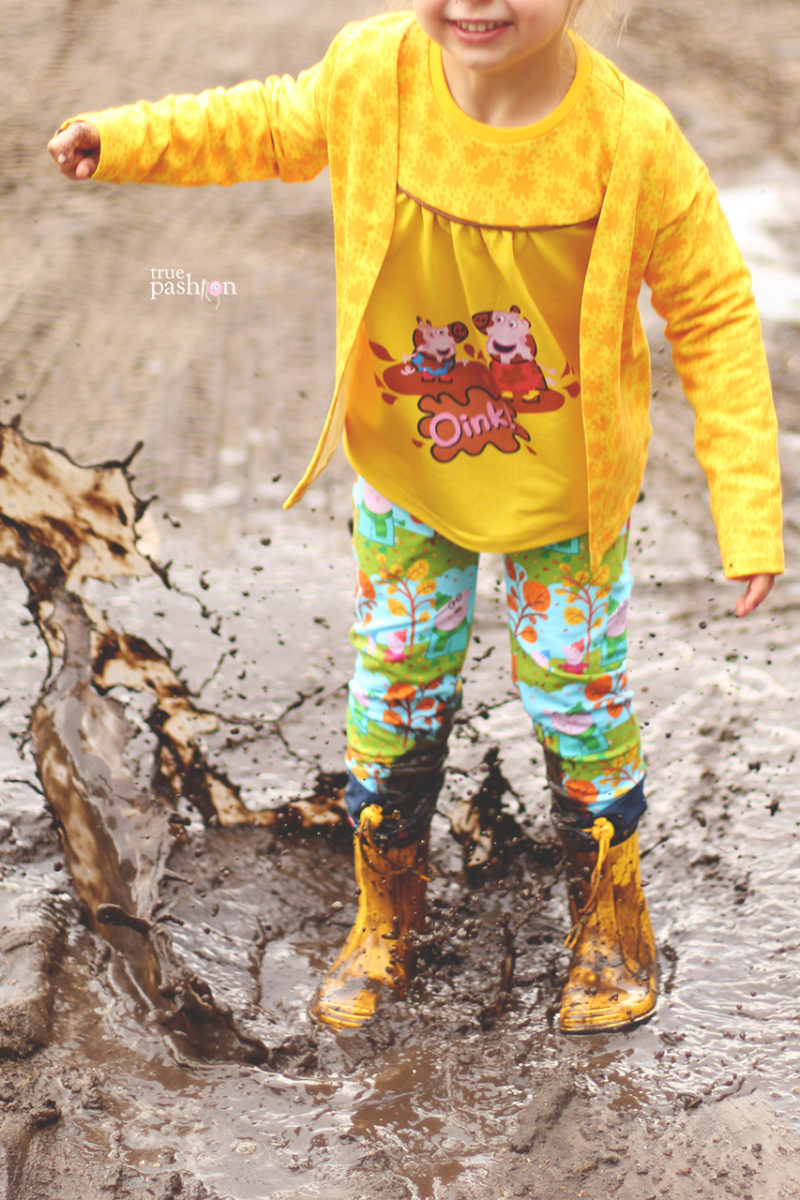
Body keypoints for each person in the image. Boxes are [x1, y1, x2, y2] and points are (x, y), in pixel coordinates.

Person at [49, 0, 783, 1035]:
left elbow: (712, 311)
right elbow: (261, 124)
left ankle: (609, 919)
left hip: (563, 495)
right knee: (395, 687)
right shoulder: (373, 74)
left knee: (577, 694)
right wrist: (123, 138)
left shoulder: (629, 140)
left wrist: (746, 507)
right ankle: (385, 911)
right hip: (408, 474)